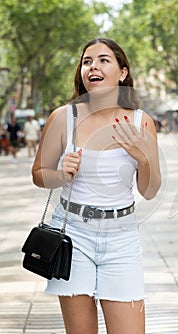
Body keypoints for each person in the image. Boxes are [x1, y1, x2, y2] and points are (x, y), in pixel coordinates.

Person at [32, 37, 161, 334]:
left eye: (104, 60)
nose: (93, 66)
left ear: (123, 72)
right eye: (87, 61)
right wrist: (60, 174)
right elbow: (39, 174)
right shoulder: (63, 118)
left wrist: (143, 159)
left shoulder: (142, 122)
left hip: (122, 238)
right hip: (72, 235)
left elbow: (150, 190)